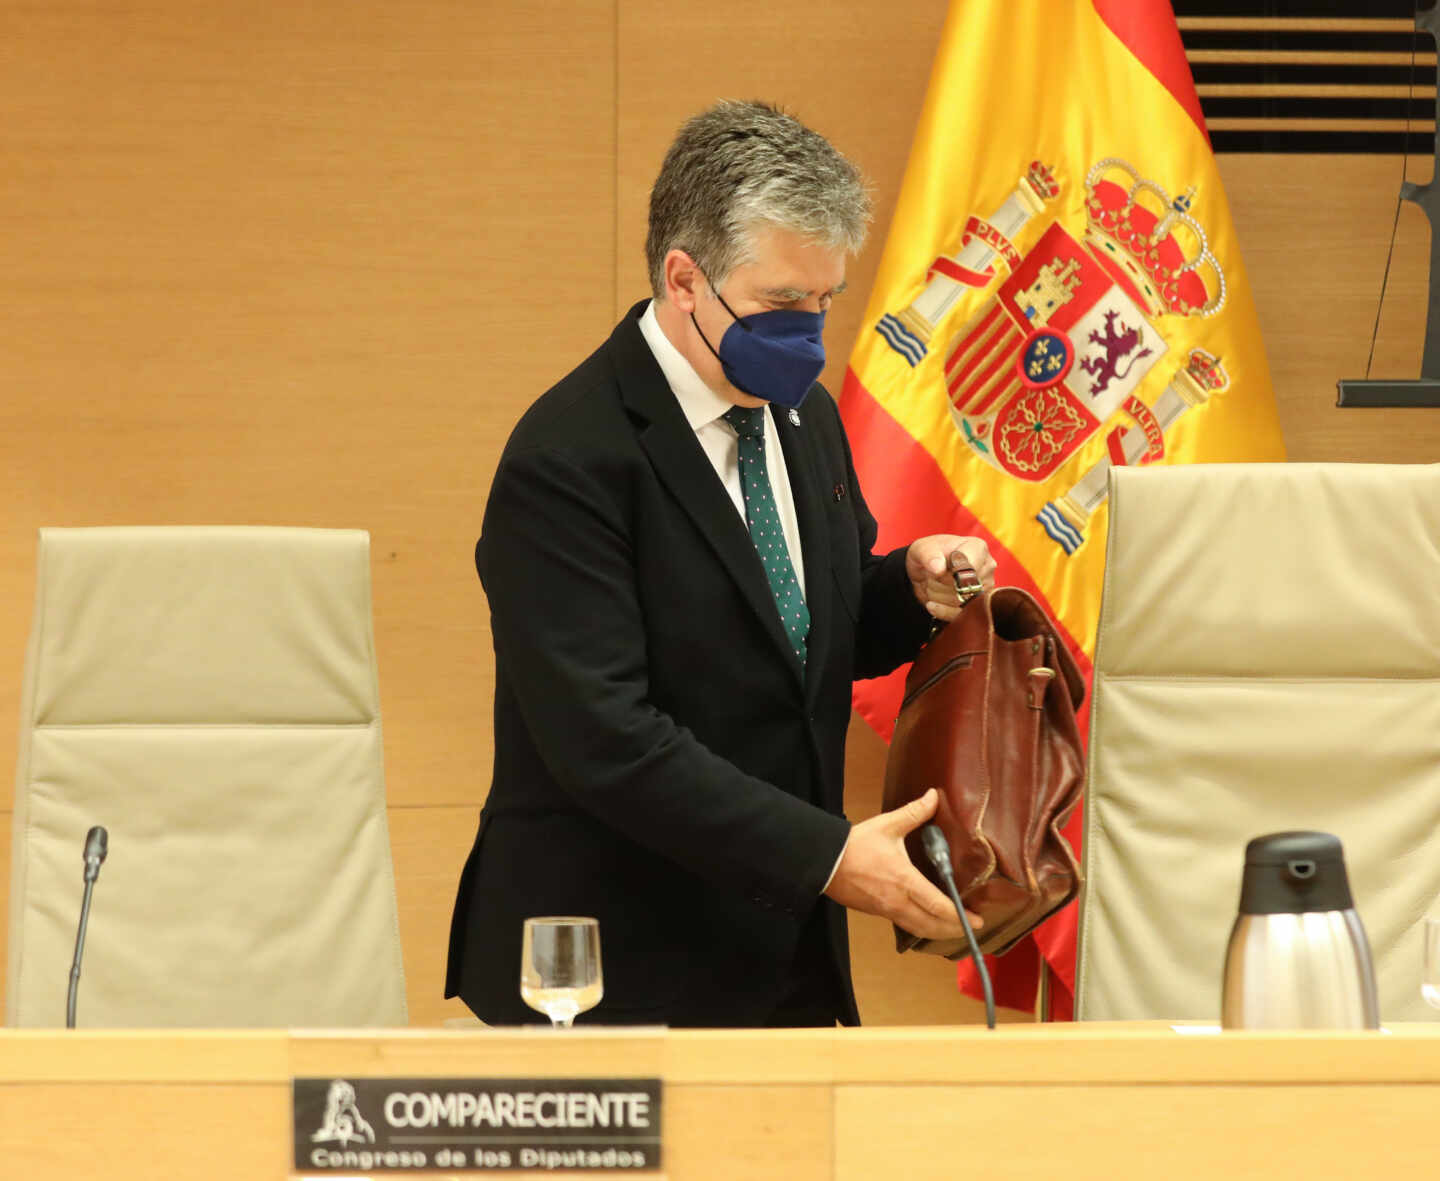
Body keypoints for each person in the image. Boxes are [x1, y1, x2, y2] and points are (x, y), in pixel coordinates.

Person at [445, 100, 995, 1028]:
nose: (809, 333)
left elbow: (803, 635)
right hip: (613, 967)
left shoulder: (803, 417)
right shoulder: (568, 456)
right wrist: (828, 855)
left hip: (781, 958)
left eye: (826, 301)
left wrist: (906, 587)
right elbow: (606, 738)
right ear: (685, 278)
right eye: (783, 303)